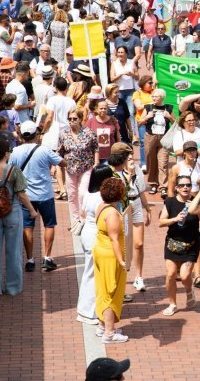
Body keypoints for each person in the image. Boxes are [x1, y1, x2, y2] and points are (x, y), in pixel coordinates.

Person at [10, 120, 66, 272]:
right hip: (45, 194)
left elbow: (10, 170)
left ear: (21, 135)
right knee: (49, 224)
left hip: (25, 196)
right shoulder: (44, 150)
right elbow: (63, 163)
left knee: (27, 226)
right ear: (36, 134)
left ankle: (30, 259)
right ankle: (47, 257)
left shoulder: (16, 151)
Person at [160, 173, 200, 316]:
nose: (186, 187)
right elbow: (161, 222)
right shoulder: (170, 202)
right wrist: (175, 218)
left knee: (185, 276)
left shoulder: (196, 201)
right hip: (173, 243)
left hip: (191, 244)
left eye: (188, 185)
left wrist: (199, 213)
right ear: (177, 188)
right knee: (171, 274)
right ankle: (172, 304)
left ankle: (189, 290)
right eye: (182, 185)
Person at [77, 165, 116, 326]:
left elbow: (83, 213)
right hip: (96, 235)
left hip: (87, 233)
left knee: (89, 272)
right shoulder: (101, 197)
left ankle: (85, 310)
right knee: (94, 275)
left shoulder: (88, 194)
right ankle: (91, 312)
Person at [93, 177, 129, 343]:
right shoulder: (113, 213)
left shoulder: (102, 207)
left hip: (100, 251)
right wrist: (122, 260)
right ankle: (109, 332)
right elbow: (114, 239)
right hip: (110, 256)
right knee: (111, 291)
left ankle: (102, 325)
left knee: (102, 289)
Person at [58, 107, 98, 228]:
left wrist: (96, 162)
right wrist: (56, 166)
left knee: (82, 193)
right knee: (72, 194)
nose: (71, 121)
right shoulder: (63, 133)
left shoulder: (88, 133)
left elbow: (96, 148)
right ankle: (75, 220)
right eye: (69, 119)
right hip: (70, 168)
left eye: (74, 119)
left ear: (80, 119)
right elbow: (60, 151)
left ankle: (83, 217)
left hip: (86, 166)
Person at [137, 88, 175, 195]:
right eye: (153, 96)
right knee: (151, 160)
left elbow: (176, 123)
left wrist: (169, 117)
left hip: (164, 138)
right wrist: (146, 118)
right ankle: (153, 184)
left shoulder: (168, 108)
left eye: (156, 96)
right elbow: (139, 123)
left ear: (162, 97)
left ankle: (163, 187)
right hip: (150, 137)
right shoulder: (148, 107)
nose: (154, 98)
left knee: (163, 162)